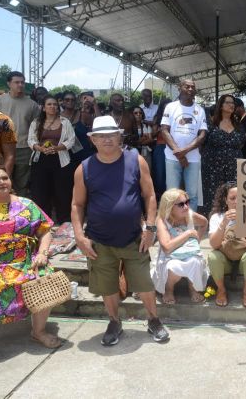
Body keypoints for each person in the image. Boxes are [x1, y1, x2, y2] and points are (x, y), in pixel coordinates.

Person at [71, 116, 169, 346]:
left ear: (119, 136)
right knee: (107, 286)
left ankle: (153, 319)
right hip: (99, 240)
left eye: (111, 135)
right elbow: (77, 204)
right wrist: (79, 236)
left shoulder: (136, 160)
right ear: (93, 140)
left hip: (134, 237)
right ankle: (114, 321)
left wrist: (151, 228)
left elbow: (150, 195)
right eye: (101, 136)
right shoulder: (84, 168)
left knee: (144, 283)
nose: (107, 139)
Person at [0, 165, 61, 374]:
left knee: (45, 275)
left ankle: (38, 331)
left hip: (23, 259)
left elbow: (45, 231)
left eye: (5, 178)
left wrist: (43, 253)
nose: (2, 182)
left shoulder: (27, 205)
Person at [207, 182, 246, 308]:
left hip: (243, 262)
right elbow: (214, 245)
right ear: (226, 200)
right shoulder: (217, 217)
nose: (236, 202)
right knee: (213, 256)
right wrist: (224, 222)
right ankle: (221, 290)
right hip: (225, 262)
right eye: (232, 198)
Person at [152, 188, 209, 304]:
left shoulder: (189, 214)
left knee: (195, 261)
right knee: (172, 266)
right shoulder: (162, 220)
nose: (186, 207)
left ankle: (192, 289)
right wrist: (188, 234)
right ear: (169, 207)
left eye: (187, 202)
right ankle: (169, 290)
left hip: (189, 253)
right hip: (169, 257)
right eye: (181, 204)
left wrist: (196, 241)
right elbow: (167, 248)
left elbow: (204, 222)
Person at [27, 95, 76, 224]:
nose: (52, 106)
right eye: (49, 104)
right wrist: (40, 148)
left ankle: (64, 221)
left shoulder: (65, 122)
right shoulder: (36, 122)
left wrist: (58, 148)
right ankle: (44, 222)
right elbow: (31, 140)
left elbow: (71, 140)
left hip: (61, 160)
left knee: (62, 191)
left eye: (55, 104)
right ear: (43, 108)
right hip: (40, 160)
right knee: (40, 192)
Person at [0, 71, 39, 197]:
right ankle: (2, 205)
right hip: (2, 147)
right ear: (9, 84)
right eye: (16, 82)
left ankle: (19, 206)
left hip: (24, 148)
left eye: (22, 82)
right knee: (1, 179)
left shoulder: (32, 104)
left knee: (22, 182)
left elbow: (36, 127)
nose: (20, 85)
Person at [161, 79, 207, 211]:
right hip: (172, 157)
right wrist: (179, 154)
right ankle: (170, 221)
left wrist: (184, 151)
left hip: (193, 159)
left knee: (192, 194)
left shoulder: (200, 110)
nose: (191, 89)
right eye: (187, 86)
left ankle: (190, 221)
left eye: (193, 87)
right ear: (179, 88)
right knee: (172, 194)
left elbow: (202, 134)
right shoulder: (170, 107)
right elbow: (164, 130)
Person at [201, 94, 245, 216]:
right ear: (221, 105)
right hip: (213, 167)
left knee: (234, 194)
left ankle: (234, 220)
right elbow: (203, 142)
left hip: (234, 166)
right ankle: (214, 220)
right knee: (214, 195)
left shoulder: (238, 124)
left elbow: (241, 143)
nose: (232, 105)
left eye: (233, 103)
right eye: (228, 102)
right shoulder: (211, 123)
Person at [151, 98, 171, 200]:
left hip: (172, 148)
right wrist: (161, 129)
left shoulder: (175, 117)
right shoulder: (158, 118)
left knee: (171, 174)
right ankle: (160, 197)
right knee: (160, 174)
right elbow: (152, 134)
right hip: (161, 147)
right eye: (165, 107)